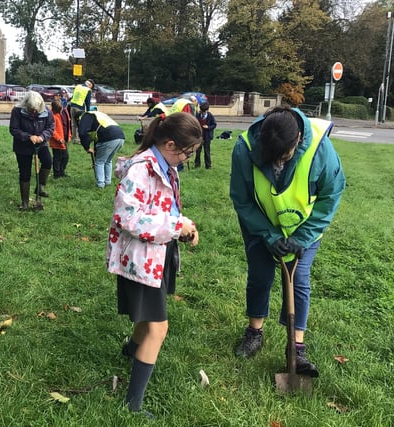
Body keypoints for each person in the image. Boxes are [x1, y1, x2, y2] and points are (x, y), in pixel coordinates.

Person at [230, 106, 346, 378]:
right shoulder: (245, 148)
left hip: (303, 226)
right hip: (260, 223)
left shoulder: (320, 149)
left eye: (283, 157)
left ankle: (296, 347)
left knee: (299, 281)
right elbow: (242, 200)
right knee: (260, 276)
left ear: (297, 141)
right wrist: (268, 235)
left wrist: (302, 237)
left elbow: (331, 195)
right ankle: (254, 333)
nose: (276, 164)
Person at [107, 112, 203, 416]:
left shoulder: (166, 166)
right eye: (187, 152)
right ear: (170, 143)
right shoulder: (141, 170)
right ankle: (133, 405)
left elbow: (166, 209)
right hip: (140, 259)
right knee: (158, 329)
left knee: (148, 318)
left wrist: (186, 226)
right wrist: (176, 228)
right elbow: (127, 217)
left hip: (157, 256)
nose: (188, 159)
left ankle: (131, 350)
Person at [9, 91, 55, 210]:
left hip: (41, 144)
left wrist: (42, 136)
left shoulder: (47, 112)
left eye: (36, 110)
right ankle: (25, 203)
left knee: (47, 162)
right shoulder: (17, 111)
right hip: (23, 145)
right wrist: (28, 136)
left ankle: (40, 188)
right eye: (31, 109)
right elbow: (13, 129)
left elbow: (50, 127)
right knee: (25, 172)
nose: (34, 112)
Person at [76, 108, 125, 188]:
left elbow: (82, 133)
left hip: (109, 137)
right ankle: (107, 181)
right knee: (108, 160)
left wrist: (87, 147)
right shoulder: (97, 115)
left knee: (99, 162)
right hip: (120, 136)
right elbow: (97, 137)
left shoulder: (85, 116)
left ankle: (100, 184)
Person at [49, 100, 70, 178]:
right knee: (57, 157)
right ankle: (57, 173)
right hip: (57, 140)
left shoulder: (62, 113)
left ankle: (61, 171)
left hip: (63, 139)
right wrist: (58, 139)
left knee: (65, 156)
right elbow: (52, 130)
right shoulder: (52, 116)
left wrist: (69, 135)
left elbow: (67, 125)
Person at [69, 79, 95, 143]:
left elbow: (73, 96)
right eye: (91, 87)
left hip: (72, 106)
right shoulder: (87, 90)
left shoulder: (78, 86)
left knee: (73, 123)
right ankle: (79, 139)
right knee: (80, 124)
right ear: (90, 85)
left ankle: (74, 138)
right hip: (80, 108)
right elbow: (87, 102)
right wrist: (88, 111)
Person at [194, 101, 217, 169]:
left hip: (207, 137)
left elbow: (214, 124)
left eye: (203, 111)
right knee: (198, 151)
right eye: (201, 111)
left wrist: (208, 127)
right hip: (199, 137)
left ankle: (208, 165)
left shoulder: (210, 116)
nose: (202, 112)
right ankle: (197, 165)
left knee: (207, 151)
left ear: (207, 110)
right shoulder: (198, 115)